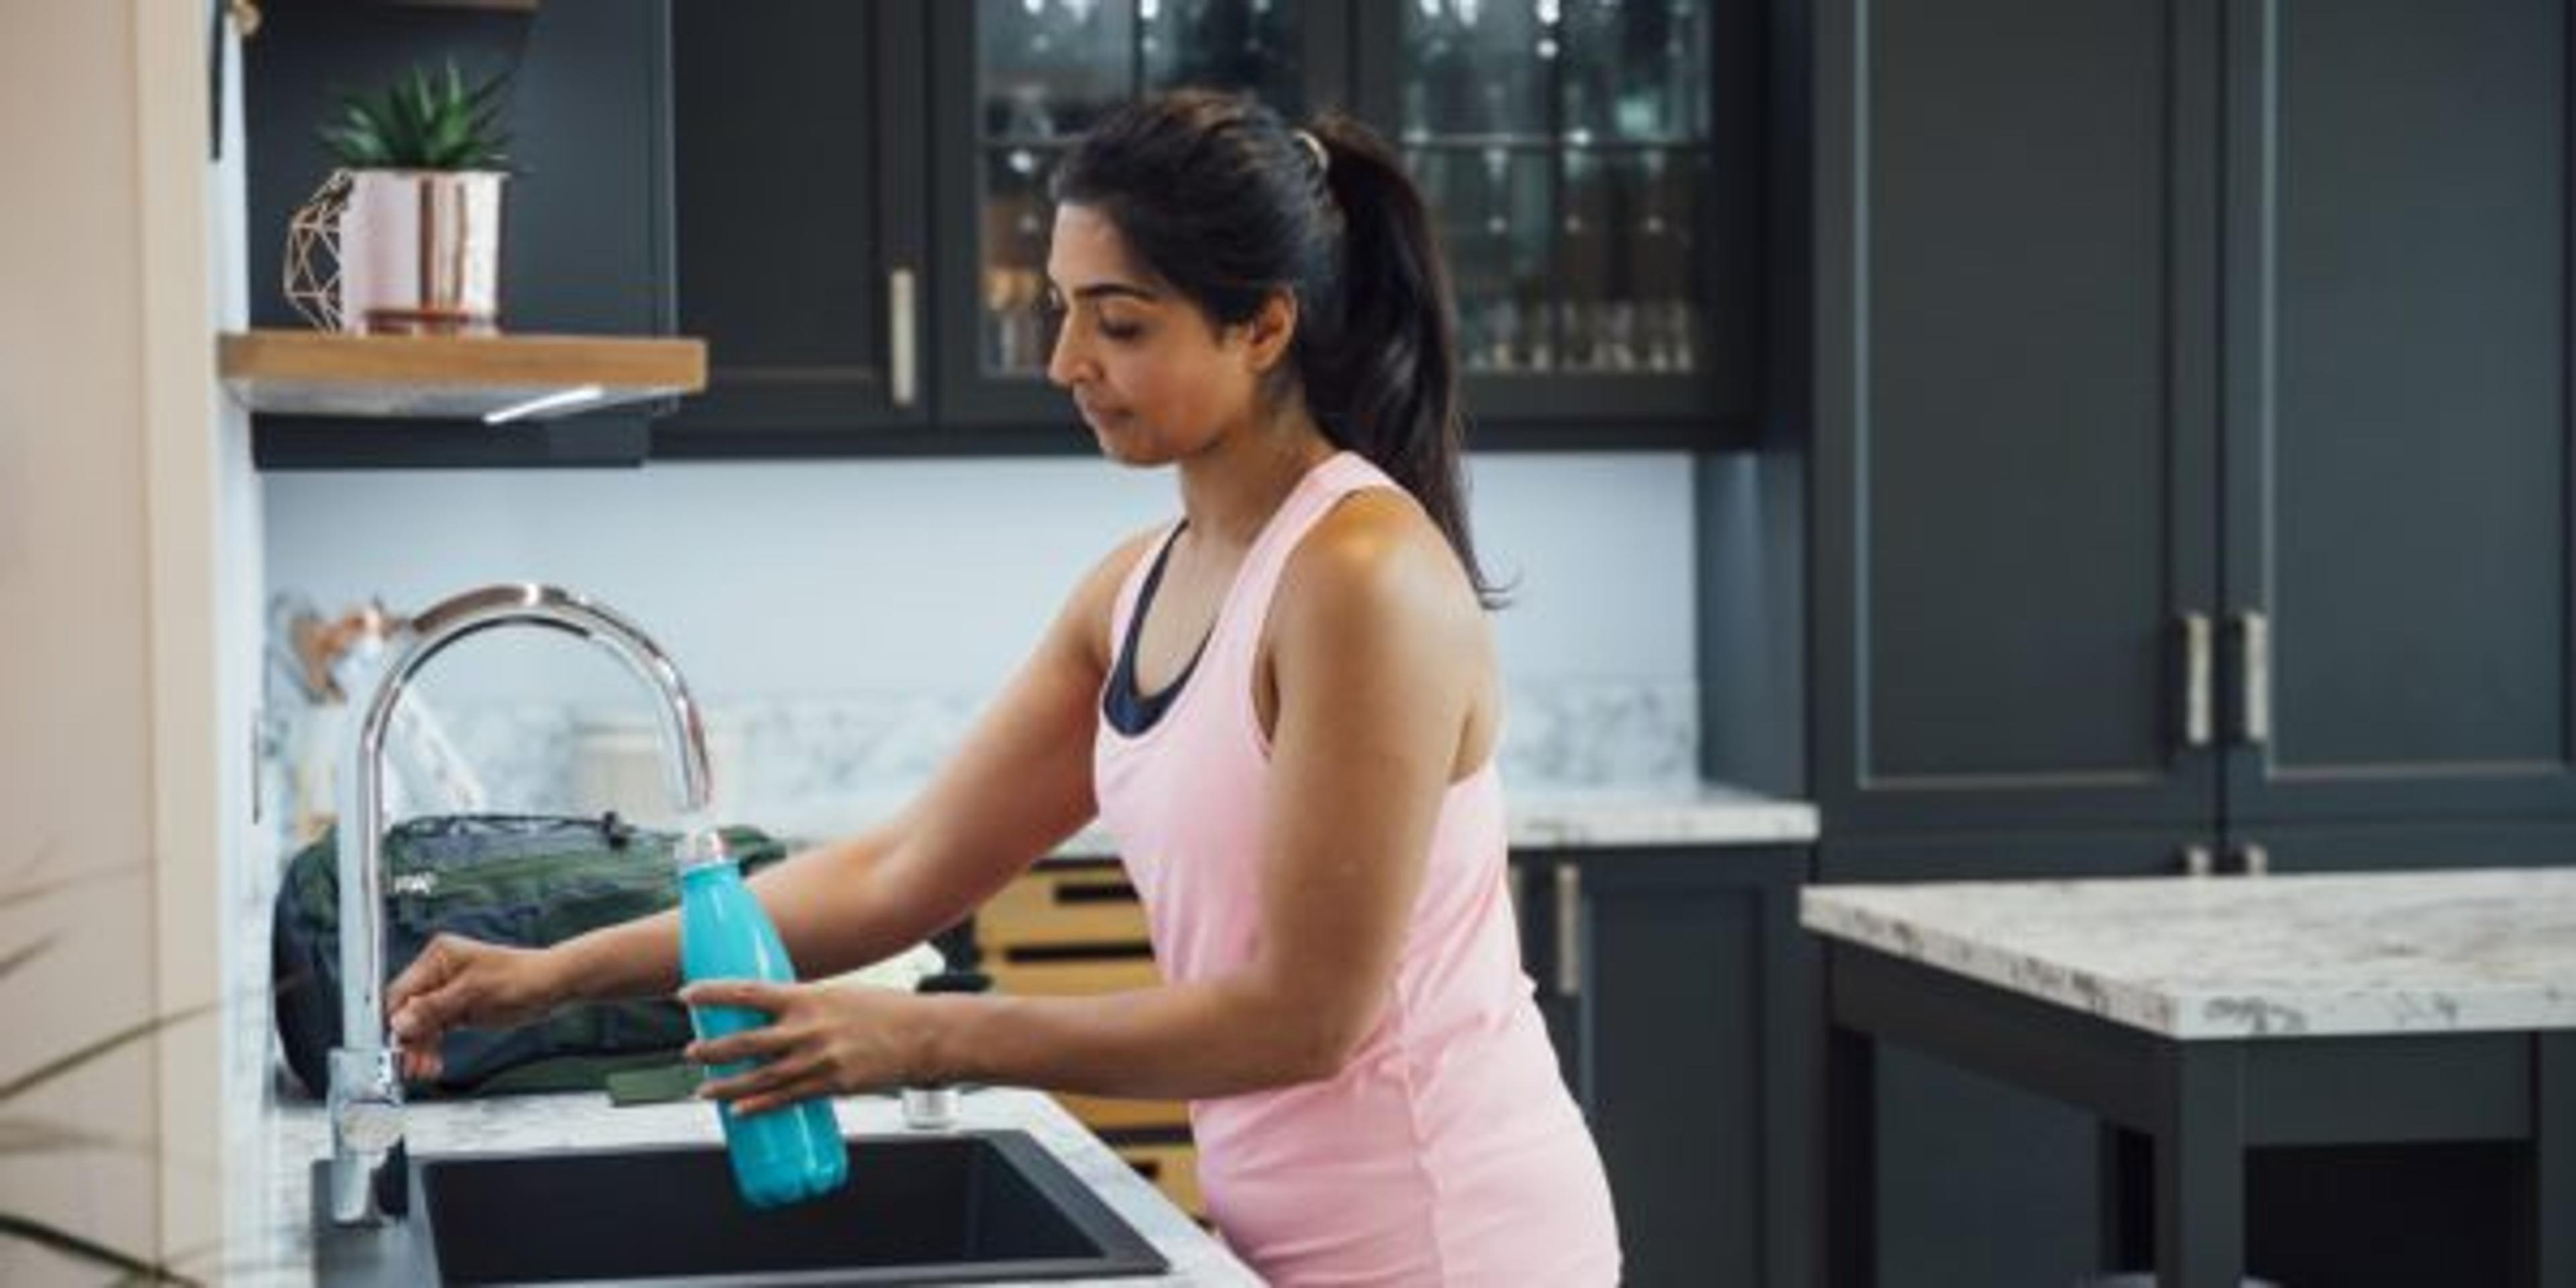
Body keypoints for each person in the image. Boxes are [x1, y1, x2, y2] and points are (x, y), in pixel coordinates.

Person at [384, 88, 1621, 1286]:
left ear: (1263, 327)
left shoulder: (1360, 577)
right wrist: (553, 974)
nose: (1065, 359)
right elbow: (903, 868)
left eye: (1120, 322)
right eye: (1062, 310)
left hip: (1452, 1239)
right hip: (1270, 1236)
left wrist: (922, 1037)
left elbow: (1309, 1019)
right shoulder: (1136, 589)